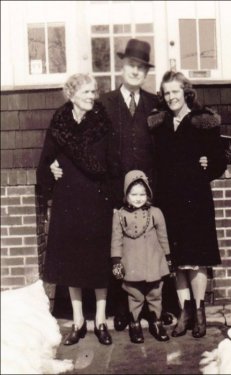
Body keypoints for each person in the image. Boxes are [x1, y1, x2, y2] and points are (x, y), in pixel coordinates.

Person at [50, 39, 174, 331]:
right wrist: (56, 162)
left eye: (141, 68)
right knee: (118, 248)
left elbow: (166, 143)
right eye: (132, 65)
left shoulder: (154, 104)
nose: (135, 71)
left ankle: (154, 308)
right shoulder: (103, 103)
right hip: (111, 190)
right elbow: (77, 136)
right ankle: (121, 309)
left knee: (148, 247)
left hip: (146, 191)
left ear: (146, 73)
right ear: (123, 67)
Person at [148, 71, 227, 338]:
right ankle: (185, 312)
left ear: (186, 92)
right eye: (166, 92)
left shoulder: (203, 122)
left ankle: (200, 312)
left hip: (196, 199)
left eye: (175, 92)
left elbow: (219, 161)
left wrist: (208, 165)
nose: (171, 97)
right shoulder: (159, 125)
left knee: (197, 259)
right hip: (169, 200)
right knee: (178, 260)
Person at [37, 73, 113, 346]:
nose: (93, 96)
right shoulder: (59, 123)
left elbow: (111, 161)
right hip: (68, 202)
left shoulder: (102, 122)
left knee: (99, 262)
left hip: (97, 200)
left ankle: (101, 320)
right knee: (72, 263)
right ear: (72, 95)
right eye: (87, 92)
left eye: (94, 91)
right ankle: (79, 321)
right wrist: (51, 169)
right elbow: (45, 160)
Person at [111, 170, 174, 343]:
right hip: (131, 263)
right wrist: (116, 261)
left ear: (148, 194)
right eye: (134, 194)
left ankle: (156, 322)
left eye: (142, 194)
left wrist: (168, 258)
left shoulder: (156, 213)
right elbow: (116, 240)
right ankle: (135, 323)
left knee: (155, 294)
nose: (138, 198)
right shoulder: (119, 215)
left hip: (154, 262)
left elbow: (163, 238)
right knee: (135, 295)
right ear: (126, 194)